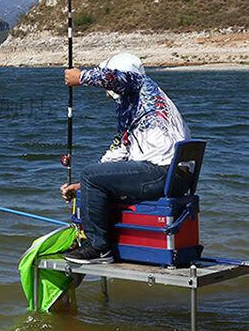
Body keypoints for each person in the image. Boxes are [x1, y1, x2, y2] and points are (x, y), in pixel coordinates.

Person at [60, 52, 191, 263]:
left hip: (161, 173)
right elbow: (120, 149)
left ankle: (98, 247)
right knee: (92, 176)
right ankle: (105, 240)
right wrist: (83, 185)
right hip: (175, 176)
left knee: (91, 174)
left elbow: (116, 79)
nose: (107, 91)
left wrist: (81, 77)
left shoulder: (139, 84)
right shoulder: (146, 99)